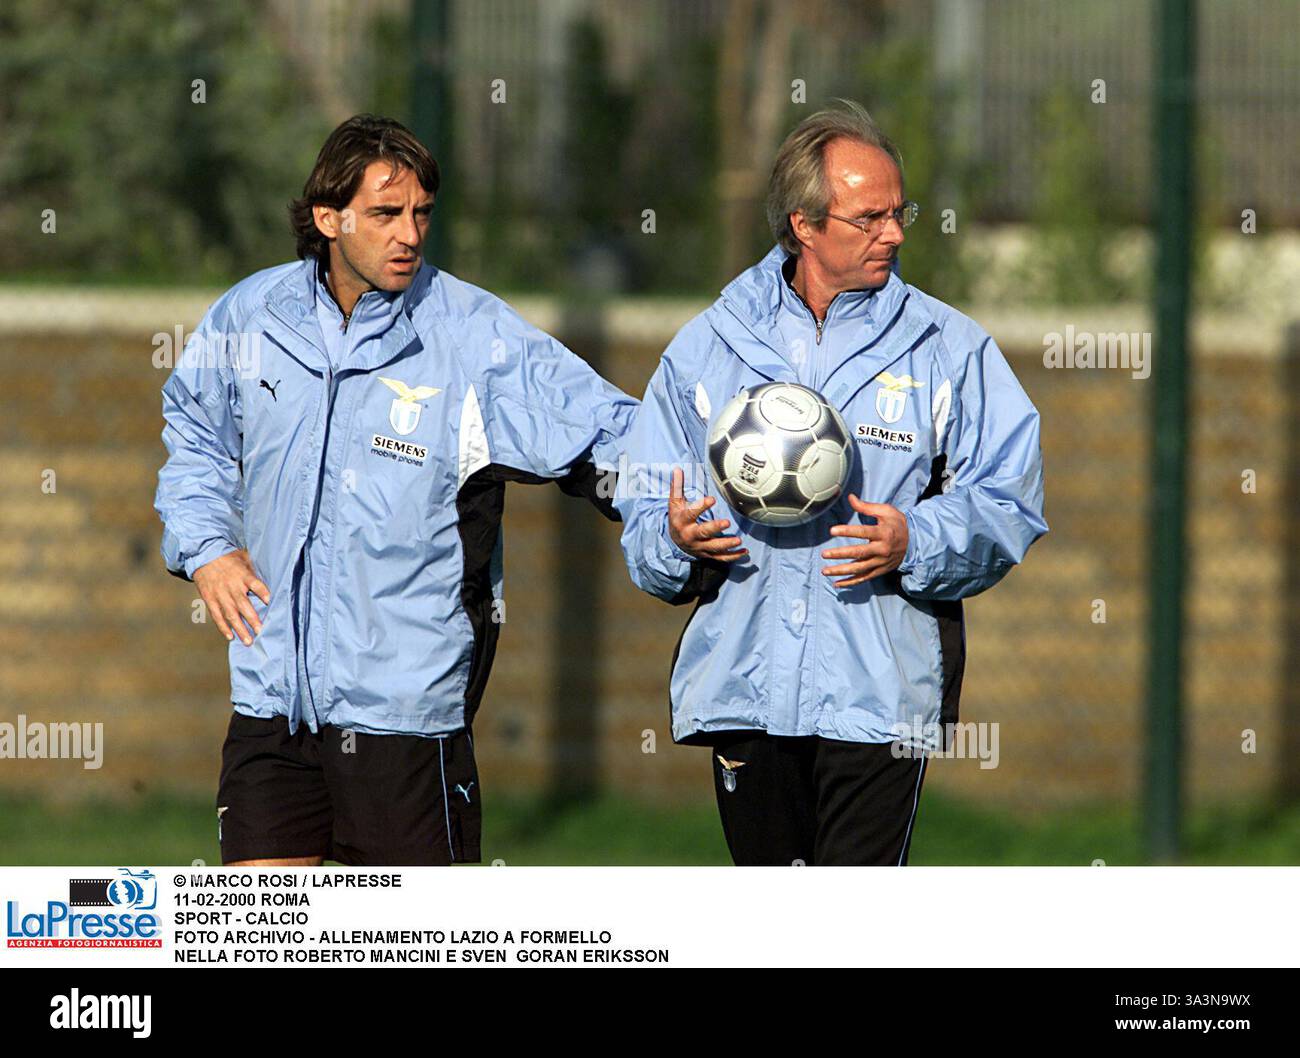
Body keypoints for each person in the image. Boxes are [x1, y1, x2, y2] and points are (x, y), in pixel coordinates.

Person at [155, 115, 635, 866]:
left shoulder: (475, 337)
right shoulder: (250, 316)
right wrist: (209, 547)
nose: (409, 234)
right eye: (385, 214)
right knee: (259, 940)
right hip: (271, 706)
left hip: (406, 723)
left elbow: (611, 434)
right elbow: (194, 434)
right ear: (327, 217)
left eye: (421, 214)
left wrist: (685, 510)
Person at [616, 100, 1047, 866]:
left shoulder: (948, 349)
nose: (897, 233)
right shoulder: (708, 347)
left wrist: (917, 540)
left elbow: (1011, 502)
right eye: (870, 217)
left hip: (880, 700)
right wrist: (676, 540)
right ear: (805, 224)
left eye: (900, 211)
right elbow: (646, 515)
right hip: (743, 694)